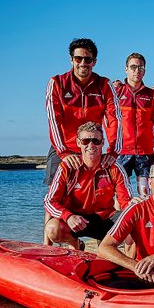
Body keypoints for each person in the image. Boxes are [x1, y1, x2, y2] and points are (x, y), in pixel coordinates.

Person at [44, 38, 121, 243]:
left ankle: (103, 247)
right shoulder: (57, 83)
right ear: (71, 59)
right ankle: (49, 248)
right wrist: (63, 153)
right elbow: (53, 119)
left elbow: (115, 119)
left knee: (100, 195)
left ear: (94, 62)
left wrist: (113, 151)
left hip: (92, 146)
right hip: (63, 146)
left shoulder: (104, 84)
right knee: (55, 195)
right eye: (79, 58)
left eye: (88, 60)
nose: (83, 64)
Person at [44, 122, 132, 249]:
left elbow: (126, 202)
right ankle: (76, 245)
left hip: (105, 219)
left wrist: (138, 206)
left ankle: (131, 265)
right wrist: (68, 216)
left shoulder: (113, 167)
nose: (91, 145)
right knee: (52, 229)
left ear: (102, 143)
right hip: (75, 219)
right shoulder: (67, 167)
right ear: (78, 143)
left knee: (134, 227)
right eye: (86, 141)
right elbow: (49, 202)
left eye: (96, 141)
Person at [115, 52, 154, 197]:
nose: (137, 70)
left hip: (144, 151)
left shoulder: (152, 95)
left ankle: (145, 220)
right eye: (133, 67)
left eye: (140, 67)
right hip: (122, 151)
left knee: (145, 192)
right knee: (121, 193)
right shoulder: (116, 92)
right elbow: (109, 120)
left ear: (144, 71)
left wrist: (145, 138)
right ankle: (120, 219)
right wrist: (117, 140)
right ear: (126, 69)